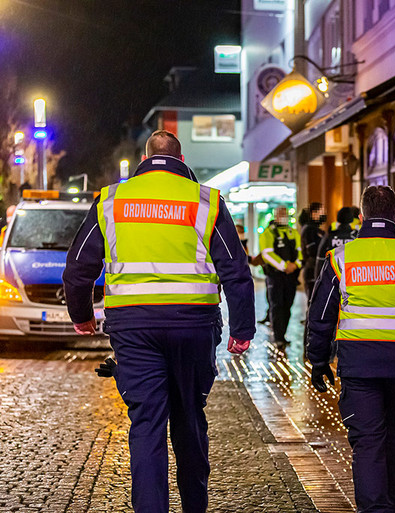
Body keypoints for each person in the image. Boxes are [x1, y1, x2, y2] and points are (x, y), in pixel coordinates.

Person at [62, 129, 255, 513]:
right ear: (181, 161)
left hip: (133, 329)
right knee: (189, 416)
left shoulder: (111, 200)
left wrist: (81, 316)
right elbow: (235, 268)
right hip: (194, 325)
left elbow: (79, 267)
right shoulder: (207, 200)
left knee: (147, 423)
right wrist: (243, 330)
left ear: (144, 160)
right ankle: (195, 506)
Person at [307, 185, 395, 513]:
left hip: (359, 368)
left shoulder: (340, 259)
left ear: (362, 217)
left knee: (368, 444)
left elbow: (322, 313)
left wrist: (317, 360)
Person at [259, 206, 302, 346]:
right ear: (276, 215)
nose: (283, 216)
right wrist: (285, 266)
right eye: (281, 214)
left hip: (291, 276)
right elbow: (267, 254)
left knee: (288, 306)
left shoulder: (293, 232)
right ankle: (278, 337)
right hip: (275, 276)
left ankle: (283, 335)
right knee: (277, 306)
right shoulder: (268, 233)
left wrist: (295, 265)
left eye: (285, 213)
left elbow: (300, 252)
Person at [314, 206, 358, 281]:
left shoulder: (330, 235)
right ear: (351, 219)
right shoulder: (356, 236)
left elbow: (320, 258)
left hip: (333, 276)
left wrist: (318, 279)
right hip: (352, 276)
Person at [300, 202, 326, 304]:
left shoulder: (316, 230)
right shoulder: (309, 230)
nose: (324, 215)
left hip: (316, 269)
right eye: (322, 212)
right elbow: (312, 251)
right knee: (313, 302)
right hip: (312, 269)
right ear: (314, 214)